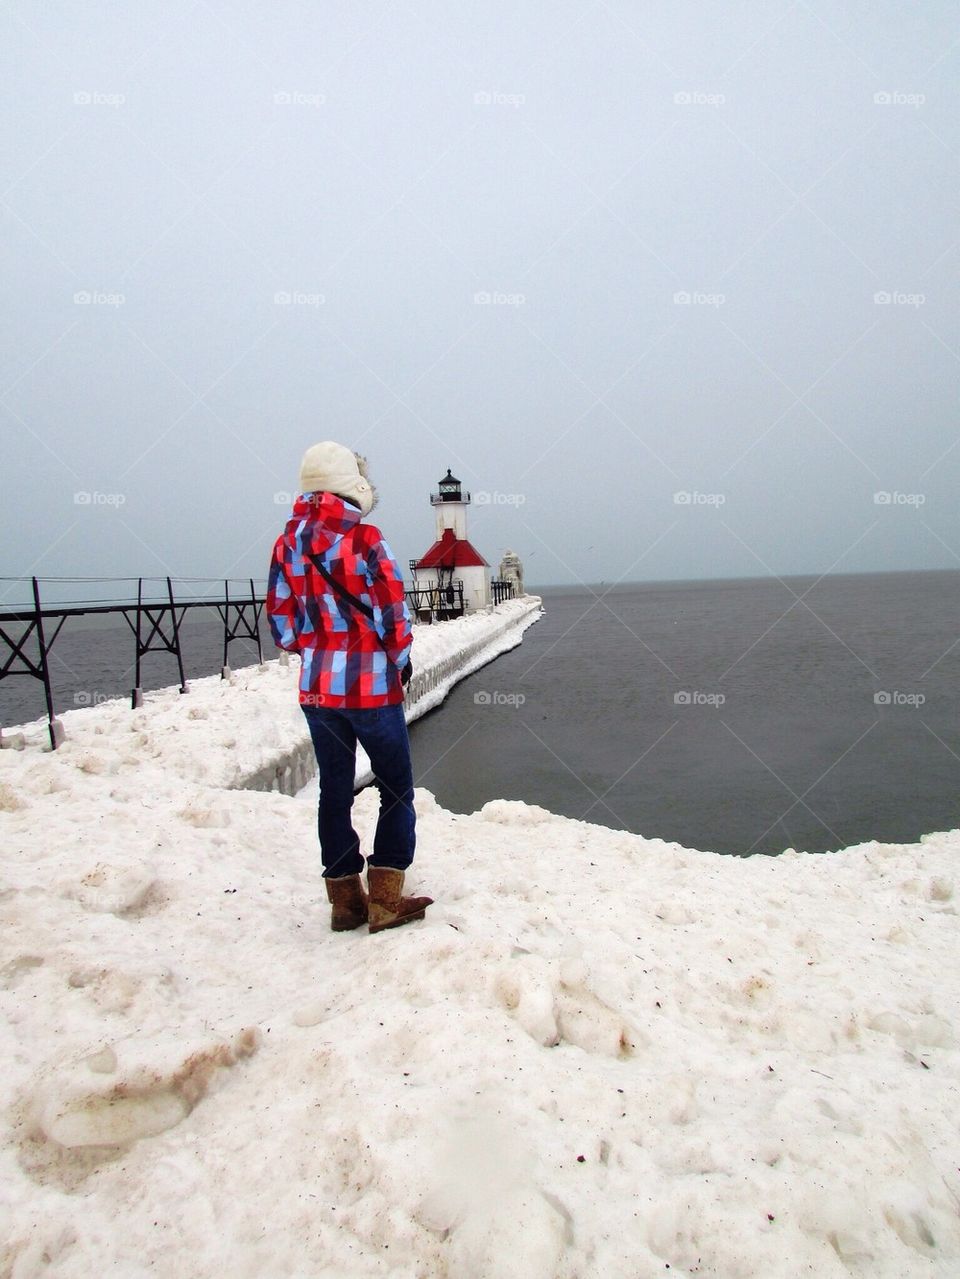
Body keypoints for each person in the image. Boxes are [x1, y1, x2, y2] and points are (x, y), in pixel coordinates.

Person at [266, 442, 432, 934]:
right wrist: (398, 661)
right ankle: (384, 899)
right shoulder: (366, 539)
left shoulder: (285, 544)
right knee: (396, 789)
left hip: (317, 691)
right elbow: (392, 614)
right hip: (371, 691)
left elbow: (282, 625)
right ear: (349, 485)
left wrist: (319, 651)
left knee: (333, 791)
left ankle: (344, 903)